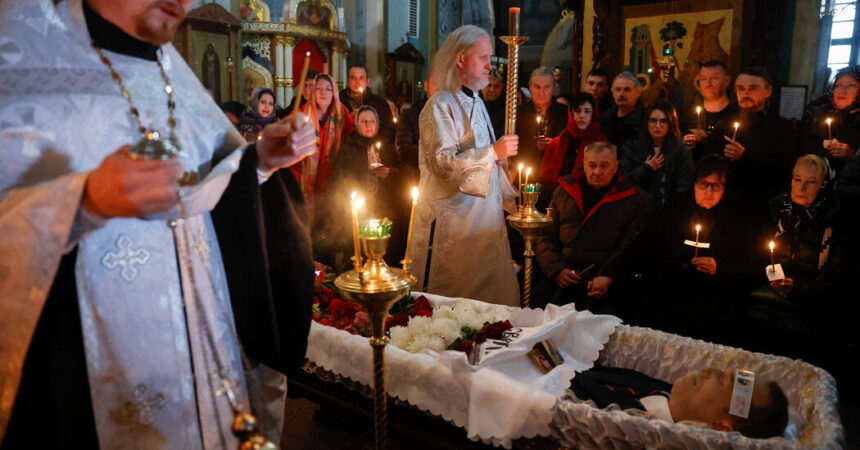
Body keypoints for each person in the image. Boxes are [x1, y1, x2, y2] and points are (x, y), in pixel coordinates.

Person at [0, 0, 318, 447]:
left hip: (204, 360)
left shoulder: (172, 70)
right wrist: (82, 202)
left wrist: (261, 162)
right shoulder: (19, 53)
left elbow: (211, 190)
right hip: (82, 387)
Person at [409, 25, 521, 307]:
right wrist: (492, 154)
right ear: (460, 59)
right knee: (453, 311)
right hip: (453, 229)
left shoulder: (477, 102)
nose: (489, 65)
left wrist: (499, 161)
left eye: (490, 58)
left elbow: (483, 157)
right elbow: (441, 164)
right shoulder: (440, 104)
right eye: (483, 57)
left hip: (482, 226)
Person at [622, 156, 759, 341]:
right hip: (670, 288)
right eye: (703, 184)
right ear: (694, 183)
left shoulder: (738, 217)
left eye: (716, 186)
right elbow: (646, 244)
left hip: (716, 294)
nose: (709, 191)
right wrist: (609, 274)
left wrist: (719, 267)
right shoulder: (676, 207)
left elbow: (751, 265)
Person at [534, 142, 649, 316]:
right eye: (592, 165)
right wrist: (556, 269)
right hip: (560, 276)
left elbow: (629, 245)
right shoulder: (565, 191)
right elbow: (545, 235)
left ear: (615, 166)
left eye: (604, 166)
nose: (597, 171)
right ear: (584, 164)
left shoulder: (634, 199)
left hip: (603, 281)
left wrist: (608, 276)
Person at [570, 365, 789, 439]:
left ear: (722, 426)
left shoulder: (622, 426)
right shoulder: (663, 389)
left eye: (722, 381)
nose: (708, 370)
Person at [328, 106, 401, 269]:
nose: (369, 125)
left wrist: (389, 173)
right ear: (356, 125)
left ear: (377, 124)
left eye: (372, 121)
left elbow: (402, 176)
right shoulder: (347, 150)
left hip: (384, 212)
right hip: (357, 214)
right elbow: (338, 182)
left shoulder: (387, 147)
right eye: (364, 121)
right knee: (358, 260)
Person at [719, 67, 797, 211]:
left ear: (768, 91)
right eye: (741, 88)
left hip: (764, 204)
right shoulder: (724, 124)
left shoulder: (782, 128)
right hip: (727, 203)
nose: (746, 93)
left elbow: (784, 171)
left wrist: (745, 157)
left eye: (753, 88)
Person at [620, 100, 693, 213]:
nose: (658, 126)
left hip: (669, 212)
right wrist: (645, 169)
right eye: (653, 121)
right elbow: (623, 183)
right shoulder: (632, 148)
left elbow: (684, 187)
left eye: (664, 121)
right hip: (637, 211)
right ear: (646, 122)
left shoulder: (680, 150)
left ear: (670, 123)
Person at [538, 92, 606, 204]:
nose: (582, 115)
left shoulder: (602, 144)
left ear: (594, 114)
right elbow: (545, 182)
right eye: (577, 110)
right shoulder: (557, 143)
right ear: (571, 113)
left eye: (587, 111)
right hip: (555, 203)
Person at [295, 73, 354, 202]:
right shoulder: (301, 113)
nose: (323, 92)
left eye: (328, 89)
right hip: (305, 173)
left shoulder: (341, 114)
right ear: (313, 91)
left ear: (334, 93)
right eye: (319, 88)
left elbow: (352, 136)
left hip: (332, 174)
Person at [799, 65, 860, 174]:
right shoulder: (815, 115)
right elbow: (802, 144)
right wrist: (823, 146)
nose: (842, 90)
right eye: (838, 85)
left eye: (851, 85)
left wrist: (853, 156)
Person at [682, 60, 739, 161]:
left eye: (714, 78)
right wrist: (685, 144)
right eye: (703, 79)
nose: (708, 83)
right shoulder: (687, 111)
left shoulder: (737, 112)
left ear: (727, 81)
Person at [515, 66, 569, 171]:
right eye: (537, 87)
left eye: (546, 87)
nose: (541, 92)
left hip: (556, 172)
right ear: (530, 87)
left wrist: (554, 145)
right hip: (526, 169)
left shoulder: (564, 113)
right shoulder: (518, 113)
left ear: (553, 88)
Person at [396, 78, 437, 189]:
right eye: (435, 83)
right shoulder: (410, 115)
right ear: (426, 85)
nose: (440, 88)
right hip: (418, 179)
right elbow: (404, 150)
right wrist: (436, 154)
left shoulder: (453, 114)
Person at [338, 65, 395, 143]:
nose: (357, 82)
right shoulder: (339, 101)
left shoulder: (379, 103)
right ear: (348, 81)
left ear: (367, 81)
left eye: (361, 78)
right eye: (353, 78)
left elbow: (389, 130)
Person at [600, 72, 645, 147]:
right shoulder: (606, 118)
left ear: (638, 92)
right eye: (618, 90)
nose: (621, 94)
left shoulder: (645, 119)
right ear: (613, 93)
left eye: (627, 90)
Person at [481, 68, 506, 139]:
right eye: (488, 85)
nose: (492, 90)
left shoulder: (506, 111)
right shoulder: (474, 105)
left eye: (496, 86)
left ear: (502, 87)